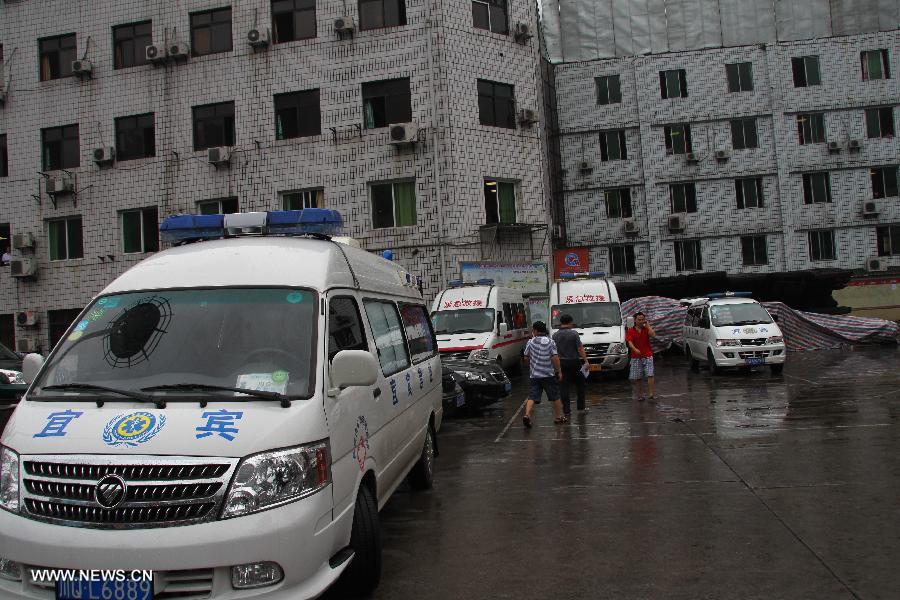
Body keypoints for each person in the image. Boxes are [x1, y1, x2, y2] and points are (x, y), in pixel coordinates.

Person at [522, 320, 564, 428]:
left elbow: (526, 358)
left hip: (534, 375)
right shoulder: (551, 342)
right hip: (548, 375)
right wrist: (558, 371)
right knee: (555, 396)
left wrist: (531, 364)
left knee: (532, 397)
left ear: (535, 331)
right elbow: (554, 357)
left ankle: (527, 415)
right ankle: (558, 417)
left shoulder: (530, 342)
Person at [552, 313, 591, 415]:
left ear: (561, 322)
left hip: (561, 363)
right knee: (580, 385)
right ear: (570, 322)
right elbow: (580, 348)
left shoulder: (554, 335)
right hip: (574, 362)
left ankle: (566, 410)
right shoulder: (574, 334)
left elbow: (553, 352)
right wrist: (586, 361)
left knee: (563, 387)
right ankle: (581, 408)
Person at [626, 312, 657, 401]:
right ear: (635, 320)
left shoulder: (646, 329)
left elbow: (654, 335)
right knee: (638, 377)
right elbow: (629, 342)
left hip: (647, 355)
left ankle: (651, 394)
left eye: (643, 319)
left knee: (650, 374)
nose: (641, 321)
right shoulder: (631, 330)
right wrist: (635, 349)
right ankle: (640, 395)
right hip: (636, 357)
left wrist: (648, 326)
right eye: (639, 320)